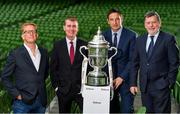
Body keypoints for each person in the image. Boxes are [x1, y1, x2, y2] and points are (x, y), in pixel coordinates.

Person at [130, 11, 179, 113]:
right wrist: (133, 83)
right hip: (145, 87)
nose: (151, 25)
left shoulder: (168, 39)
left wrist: (169, 82)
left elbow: (174, 62)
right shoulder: (140, 40)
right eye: (148, 23)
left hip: (162, 86)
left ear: (159, 23)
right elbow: (134, 63)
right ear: (145, 25)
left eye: (154, 22)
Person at [1, 22, 49, 113]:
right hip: (22, 103)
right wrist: (17, 95)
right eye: (27, 32)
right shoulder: (15, 54)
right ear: (23, 36)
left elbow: (45, 74)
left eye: (33, 31)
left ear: (37, 35)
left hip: (41, 101)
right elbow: (5, 77)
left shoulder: (44, 52)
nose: (31, 34)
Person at [50, 16, 87, 113]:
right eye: (69, 26)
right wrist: (57, 88)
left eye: (74, 26)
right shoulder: (57, 45)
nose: (71, 29)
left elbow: (89, 67)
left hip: (81, 90)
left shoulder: (85, 45)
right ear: (64, 27)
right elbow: (53, 68)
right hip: (63, 91)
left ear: (77, 29)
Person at [102, 8, 137, 113]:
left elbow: (133, 60)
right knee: (111, 110)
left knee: (126, 110)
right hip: (109, 79)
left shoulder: (132, 35)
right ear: (108, 21)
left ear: (121, 19)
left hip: (126, 79)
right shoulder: (103, 36)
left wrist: (121, 77)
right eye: (112, 19)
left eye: (117, 19)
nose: (115, 22)